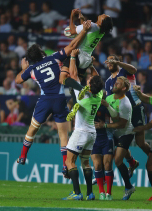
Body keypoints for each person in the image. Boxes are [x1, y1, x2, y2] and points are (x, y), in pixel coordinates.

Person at [15, 21, 91, 169]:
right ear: (42, 53)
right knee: (63, 135)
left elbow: (18, 80)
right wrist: (83, 32)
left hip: (45, 100)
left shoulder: (31, 69)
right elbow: (72, 45)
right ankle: (65, 165)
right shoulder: (55, 57)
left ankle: (23, 156)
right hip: (60, 99)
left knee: (32, 129)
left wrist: (23, 68)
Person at [61, 49, 103, 201]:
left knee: (69, 161)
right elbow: (98, 79)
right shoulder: (98, 95)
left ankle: (77, 193)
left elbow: (73, 76)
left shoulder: (82, 95)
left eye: (90, 79)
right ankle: (90, 193)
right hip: (92, 133)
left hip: (80, 132)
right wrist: (91, 65)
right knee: (85, 162)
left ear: (90, 85)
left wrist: (72, 57)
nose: (88, 79)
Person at [105, 55, 151, 175]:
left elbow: (134, 70)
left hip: (136, 109)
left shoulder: (124, 71)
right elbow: (111, 100)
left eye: (111, 61)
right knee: (121, 141)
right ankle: (132, 162)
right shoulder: (108, 82)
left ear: (116, 61)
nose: (109, 63)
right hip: (124, 114)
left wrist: (118, 62)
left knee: (141, 142)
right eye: (108, 61)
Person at [96, 76, 135, 200]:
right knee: (106, 160)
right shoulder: (108, 98)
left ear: (124, 88)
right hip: (113, 133)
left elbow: (122, 124)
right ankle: (132, 162)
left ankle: (129, 187)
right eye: (115, 82)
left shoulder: (125, 104)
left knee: (117, 160)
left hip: (125, 132)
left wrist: (105, 125)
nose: (115, 84)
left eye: (118, 83)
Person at [65, 9, 113, 80]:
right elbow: (86, 32)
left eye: (104, 16)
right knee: (78, 81)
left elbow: (72, 31)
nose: (103, 14)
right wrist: (82, 19)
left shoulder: (92, 26)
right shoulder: (102, 31)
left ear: (100, 22)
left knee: (64, 76)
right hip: (86, 60)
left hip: (78, 55)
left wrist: (71, 16)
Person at [91, 92, 114, 200]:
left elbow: (115, 116)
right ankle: (101, 192)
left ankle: (108, 193)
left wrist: (107, 106)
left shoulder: (105, 107)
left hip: (106, 138)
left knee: (108, 165)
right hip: (93, 138)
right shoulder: (88, 105)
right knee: (97, 165)